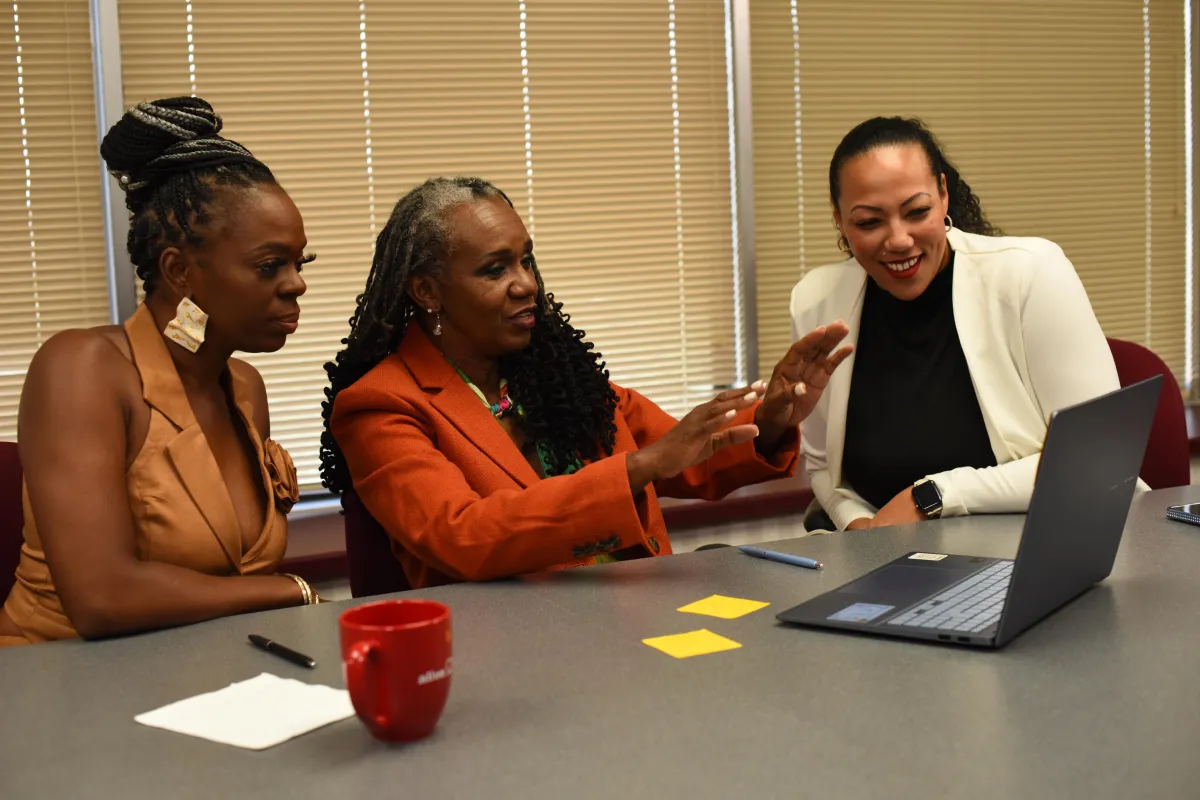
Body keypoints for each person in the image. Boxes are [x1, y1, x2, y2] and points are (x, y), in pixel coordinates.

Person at [322, 177, 852, 589]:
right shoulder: (380, 405)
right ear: (427, 291)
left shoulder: (558, 374)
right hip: (505, 648)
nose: (526, 284)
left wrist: (771, 417)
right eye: (495, 270)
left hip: (635, 615)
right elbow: (462, 536)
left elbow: (690, 457)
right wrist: (642, 466)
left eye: (526, 260)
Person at [0, 97, 318, 647]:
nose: (296, 284)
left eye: (299, 263)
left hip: (206, 673)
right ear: (178, 271)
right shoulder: (82, 368)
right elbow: (102, 599)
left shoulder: (246, 388)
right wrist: (294, 592)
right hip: (59, 676)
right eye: (270, 266)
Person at [791, 116, 1126, 532]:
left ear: (943, 195)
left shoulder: (1031, 272)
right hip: (890, 556)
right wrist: (857, 526)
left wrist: (932, 497)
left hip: (1048, 540)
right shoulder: (816, 302)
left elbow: (1097, 457)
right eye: (869, 222)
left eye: (917, 212)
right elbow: (824, 466)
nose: (899, 240)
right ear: (839, 217)